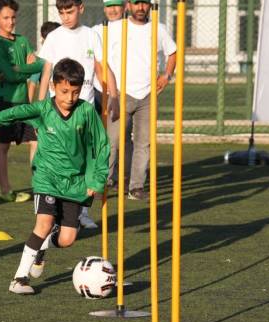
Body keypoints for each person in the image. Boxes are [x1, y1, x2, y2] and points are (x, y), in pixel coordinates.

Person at [0, 58, 110, 295]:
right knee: (44, 223)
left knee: (68, 238)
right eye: (64, 91)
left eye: (75, 92)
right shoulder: (43, 109)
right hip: (47, 178)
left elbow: (100, 145)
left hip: (75, 182)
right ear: (52, 86)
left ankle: (41, 249)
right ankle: (19, 279)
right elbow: (14, 113)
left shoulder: (87, 112)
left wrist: (96, 179)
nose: (69, 97)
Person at [36, 0, 120, 230]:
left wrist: (113, 94)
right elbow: (46, 73)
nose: (65, 16)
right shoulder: (54, 37)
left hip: (85, 108)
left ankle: (82, 212)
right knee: (61, 161)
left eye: (69, 11)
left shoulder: (92, 35)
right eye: (61, 12)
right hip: (58, 110)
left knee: (87, 163)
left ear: (80, 8)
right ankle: (55, 212)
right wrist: (40, 107)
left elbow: (102, 67)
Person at [107, 0, 176, 200]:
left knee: (143, 143)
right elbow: (100, 56)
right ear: (128, 5)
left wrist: (166, 75)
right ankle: (106, 180)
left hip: (147, 95)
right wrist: (110, 89)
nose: (141, 8)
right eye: (136, 3)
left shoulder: (159, 29)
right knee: (113, 140)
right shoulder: (116, 28)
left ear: (150, 6)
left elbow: (172, 53)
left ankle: (136, 186)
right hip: (120, 93)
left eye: (145, 4)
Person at [0, 0, 44, 203]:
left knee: (36, 142)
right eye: (6, 17)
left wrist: (18, 70)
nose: (11, 21)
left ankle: (39, 185)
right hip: (5, 102)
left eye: (13, 17)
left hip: (25, 103)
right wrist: (24, 69)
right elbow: (11, 76)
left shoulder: (22, 40)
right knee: (3, 145)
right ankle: (6, 190)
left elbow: (38, 66)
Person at [92, 0, 129, 190]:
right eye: (109, 6)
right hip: (101, 89)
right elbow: (96, 61)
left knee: (119, 137)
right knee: (103, 137)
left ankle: (119, 176)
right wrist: (106, 86)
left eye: (117, 5)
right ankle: (104, 176)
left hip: (126, 89)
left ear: (125, 6)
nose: (113, 10)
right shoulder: (96, 30)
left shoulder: (132, 28)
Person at [27, 21, 61, 105]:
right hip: (48, 106)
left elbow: (32, 85)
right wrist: (27, 109)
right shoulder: (41, 60)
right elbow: (32, 85)